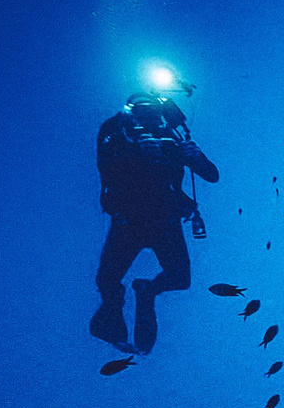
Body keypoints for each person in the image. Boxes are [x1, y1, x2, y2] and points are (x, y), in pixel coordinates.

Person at [92, 87, 219, 352]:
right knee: (107, 280)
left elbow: (211, 175)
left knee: (180, 278)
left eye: (153, 111)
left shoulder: (169, 137)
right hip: (129, 220)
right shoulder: (116, 136)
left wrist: (197, 157)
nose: (149, 118)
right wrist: (136, 151)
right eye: (141, 112)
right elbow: (105, 167)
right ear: (129, 113)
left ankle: (146, 292)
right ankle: (114, 326)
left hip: (165, 220)